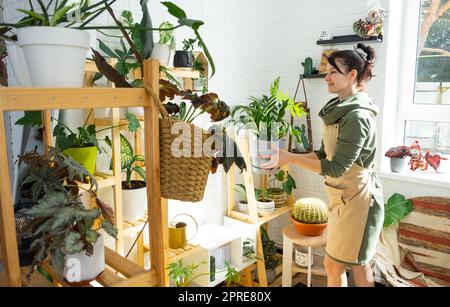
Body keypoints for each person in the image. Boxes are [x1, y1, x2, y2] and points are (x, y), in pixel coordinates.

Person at [262, 43, 384, 287]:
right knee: (351, 264)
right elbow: (321, 154)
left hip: (358, 203)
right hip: (344, 199)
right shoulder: (341, 110)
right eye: (326, 71)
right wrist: (286, 155)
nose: (326, 77)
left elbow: (337, 167)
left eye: (333, 72)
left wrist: (292, 159)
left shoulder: (357, 116)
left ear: (352, 76)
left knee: (344, 264)